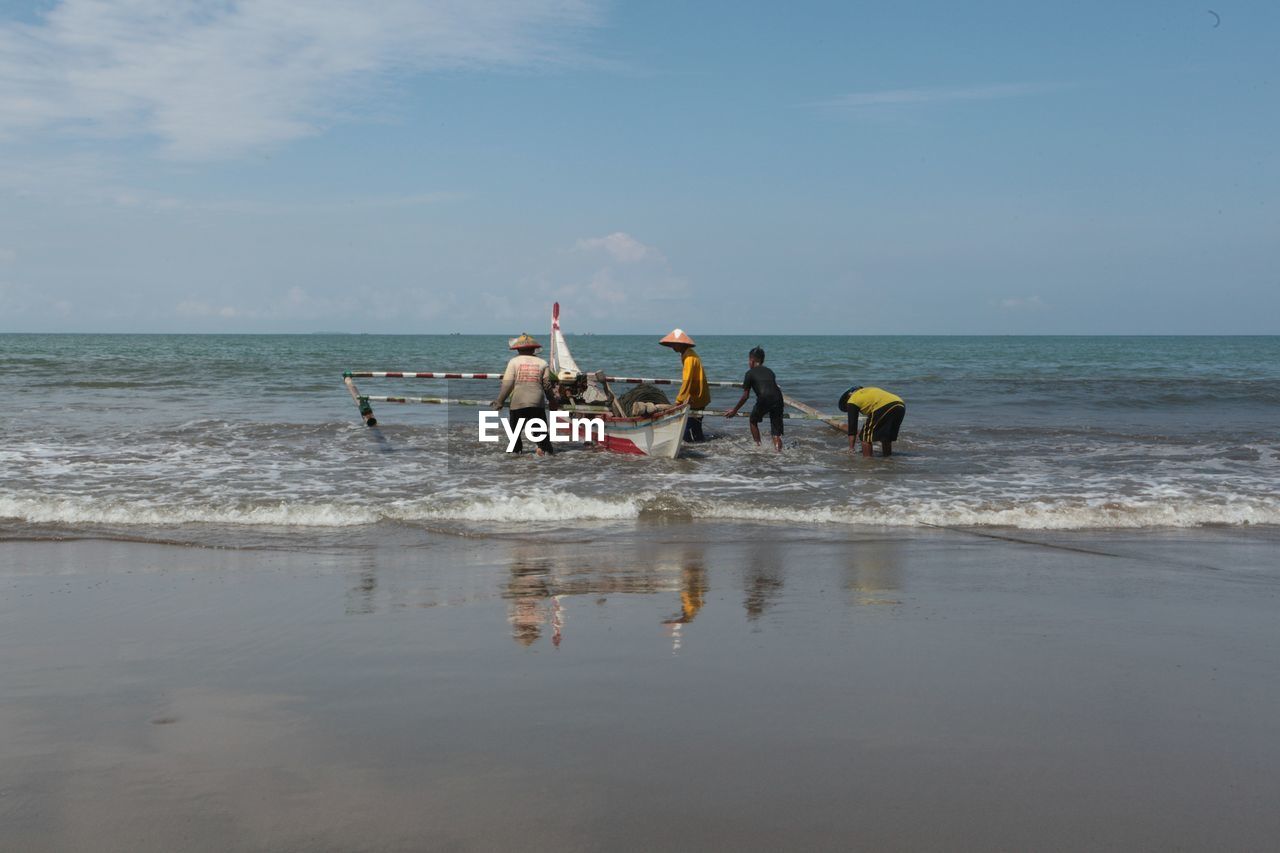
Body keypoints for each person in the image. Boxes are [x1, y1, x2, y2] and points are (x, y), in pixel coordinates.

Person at [492, 333, 554, 455]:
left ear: (518, 349)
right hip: (537, 403)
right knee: (541, 434)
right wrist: (552, 400)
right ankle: (546, 455)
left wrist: (500, 401)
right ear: (534, 349)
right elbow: (547, 385)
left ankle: (516, 458)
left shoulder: (513, 362)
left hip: (518, 403)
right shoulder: (542, 363)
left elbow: (507, 384)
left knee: (514, 436)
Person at [724, 346, 784, 451]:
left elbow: (745, 396)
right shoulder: (770, 371)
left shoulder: (749, 373)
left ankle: (758, 446)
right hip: (778, 398)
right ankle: (779, 455)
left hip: (764, 399)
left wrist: (734, 410)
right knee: (776, 433)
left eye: (748, 360)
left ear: (751, 361)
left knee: (753, 420)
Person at [658, 328, 710, 442]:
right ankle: (701, 446)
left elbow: (687, 381)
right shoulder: (689, 355)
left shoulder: (689, 358)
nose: (672, 347)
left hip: (696, 398)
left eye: (674, 344)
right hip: (700, 396)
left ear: (680, 344)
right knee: (696, 427)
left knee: (685, 428)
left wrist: (679, 400)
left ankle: (689, 452)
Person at [838, 385, 905, 457]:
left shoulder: (852, 400)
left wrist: (851, 448)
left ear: (848, 396)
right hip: (900, 405)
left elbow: (852, 427)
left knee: (865, 436)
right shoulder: (869, 391)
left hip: (884, 406)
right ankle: (887, 459)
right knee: (886, 436)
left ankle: (868, 463)